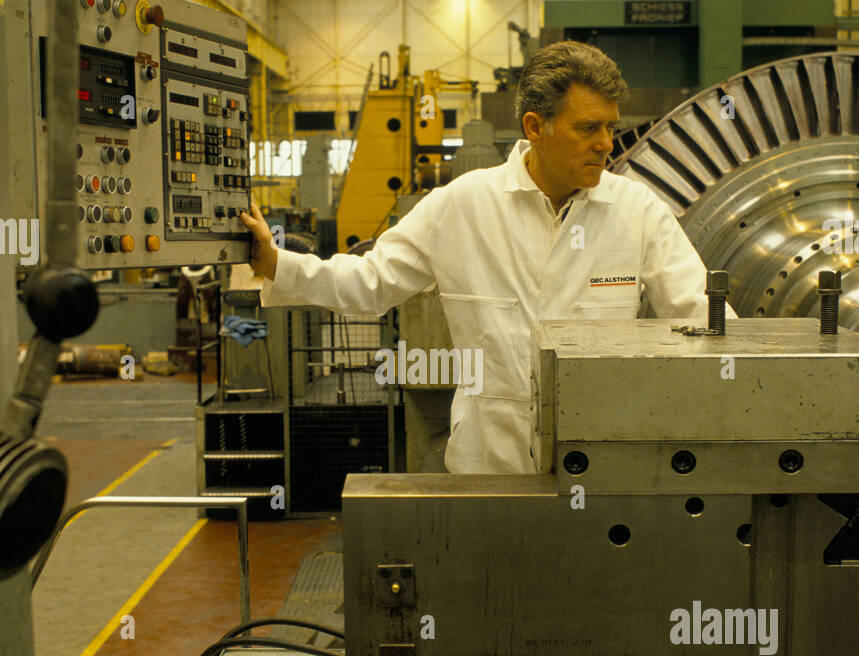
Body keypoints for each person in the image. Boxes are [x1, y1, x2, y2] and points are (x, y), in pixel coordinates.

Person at [241, 41, 727, 474]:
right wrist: (276, 264)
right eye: (588, 128)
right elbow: (371, 283)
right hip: (488, 466)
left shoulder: (636, 211)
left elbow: (703, 315)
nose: (606, 144)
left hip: (600, 464)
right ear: (535, 127)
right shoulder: (463, 205)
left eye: (610, 127)